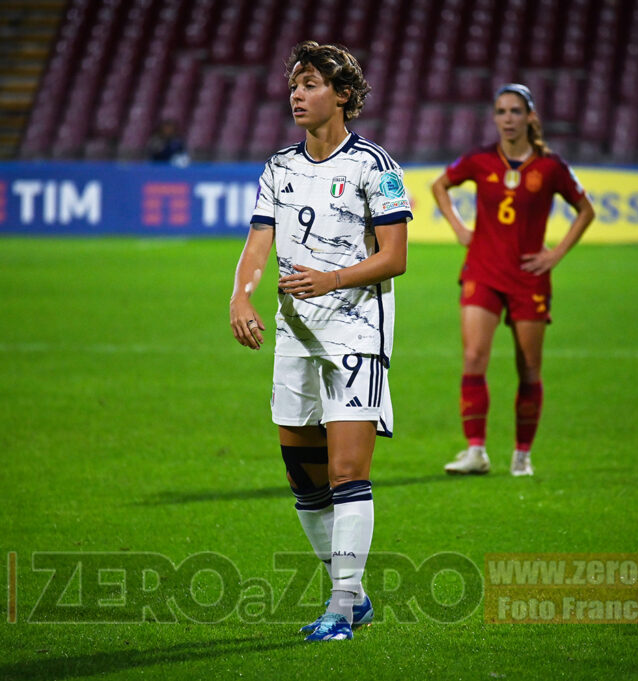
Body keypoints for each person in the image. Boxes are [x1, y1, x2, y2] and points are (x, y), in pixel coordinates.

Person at [230, 40, 411, 641]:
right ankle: (353, 597)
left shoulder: (377, 167)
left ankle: (339, 606)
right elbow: (260, 238)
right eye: (294, 84)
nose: (297, 94)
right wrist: (241, 294)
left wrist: (329, 279)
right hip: (294, 333)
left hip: (356, 331)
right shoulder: (278, 166)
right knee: (302, 477)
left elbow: (396, 258)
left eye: (310, 84)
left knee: (346, 471)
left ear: (344, 96)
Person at [430, 83, 594, 477]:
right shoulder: (480, 159)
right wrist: (457, 226)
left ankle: (522, 454)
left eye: (515, 112)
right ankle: (475, 451)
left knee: (528, 367)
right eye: (501, 112)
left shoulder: (550, 166)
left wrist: (555, 254)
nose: (507, 119)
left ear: (530, 117)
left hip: (528, 278)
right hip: (482, 270)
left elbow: (585, 210)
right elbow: (440, 185)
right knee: (473, 357)